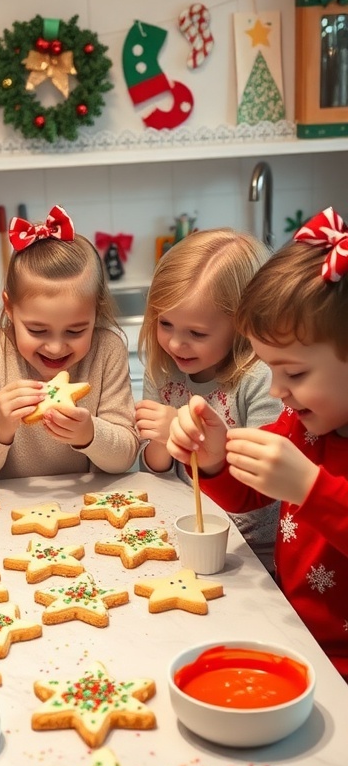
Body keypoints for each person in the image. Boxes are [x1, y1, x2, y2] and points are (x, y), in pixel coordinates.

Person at [166, 207, 348, 678]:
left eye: (295, 372)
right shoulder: (304, 423)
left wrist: (312, 490)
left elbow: (312, 496)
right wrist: (215, 458)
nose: (275, 390)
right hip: (296, 631)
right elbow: (251, 493)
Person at [135, 228, 281, 570]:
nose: (175, 344)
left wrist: (194, 438)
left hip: (256, 554)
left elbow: (266, 488)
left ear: (243, 324)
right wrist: (162, 442)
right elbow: (152, 469)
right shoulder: (163, 370)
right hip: (186, 535)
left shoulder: (260, 378)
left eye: (196, 334)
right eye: (165, 324)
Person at [0, 205, 139, 480]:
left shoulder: (107, 351)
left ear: (96, 314)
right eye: (37, 330)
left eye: (75, 331)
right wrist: (0, 425)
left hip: (89, 504)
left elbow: (125, 457)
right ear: (10, 309)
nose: (55, 348)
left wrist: (90, 434)